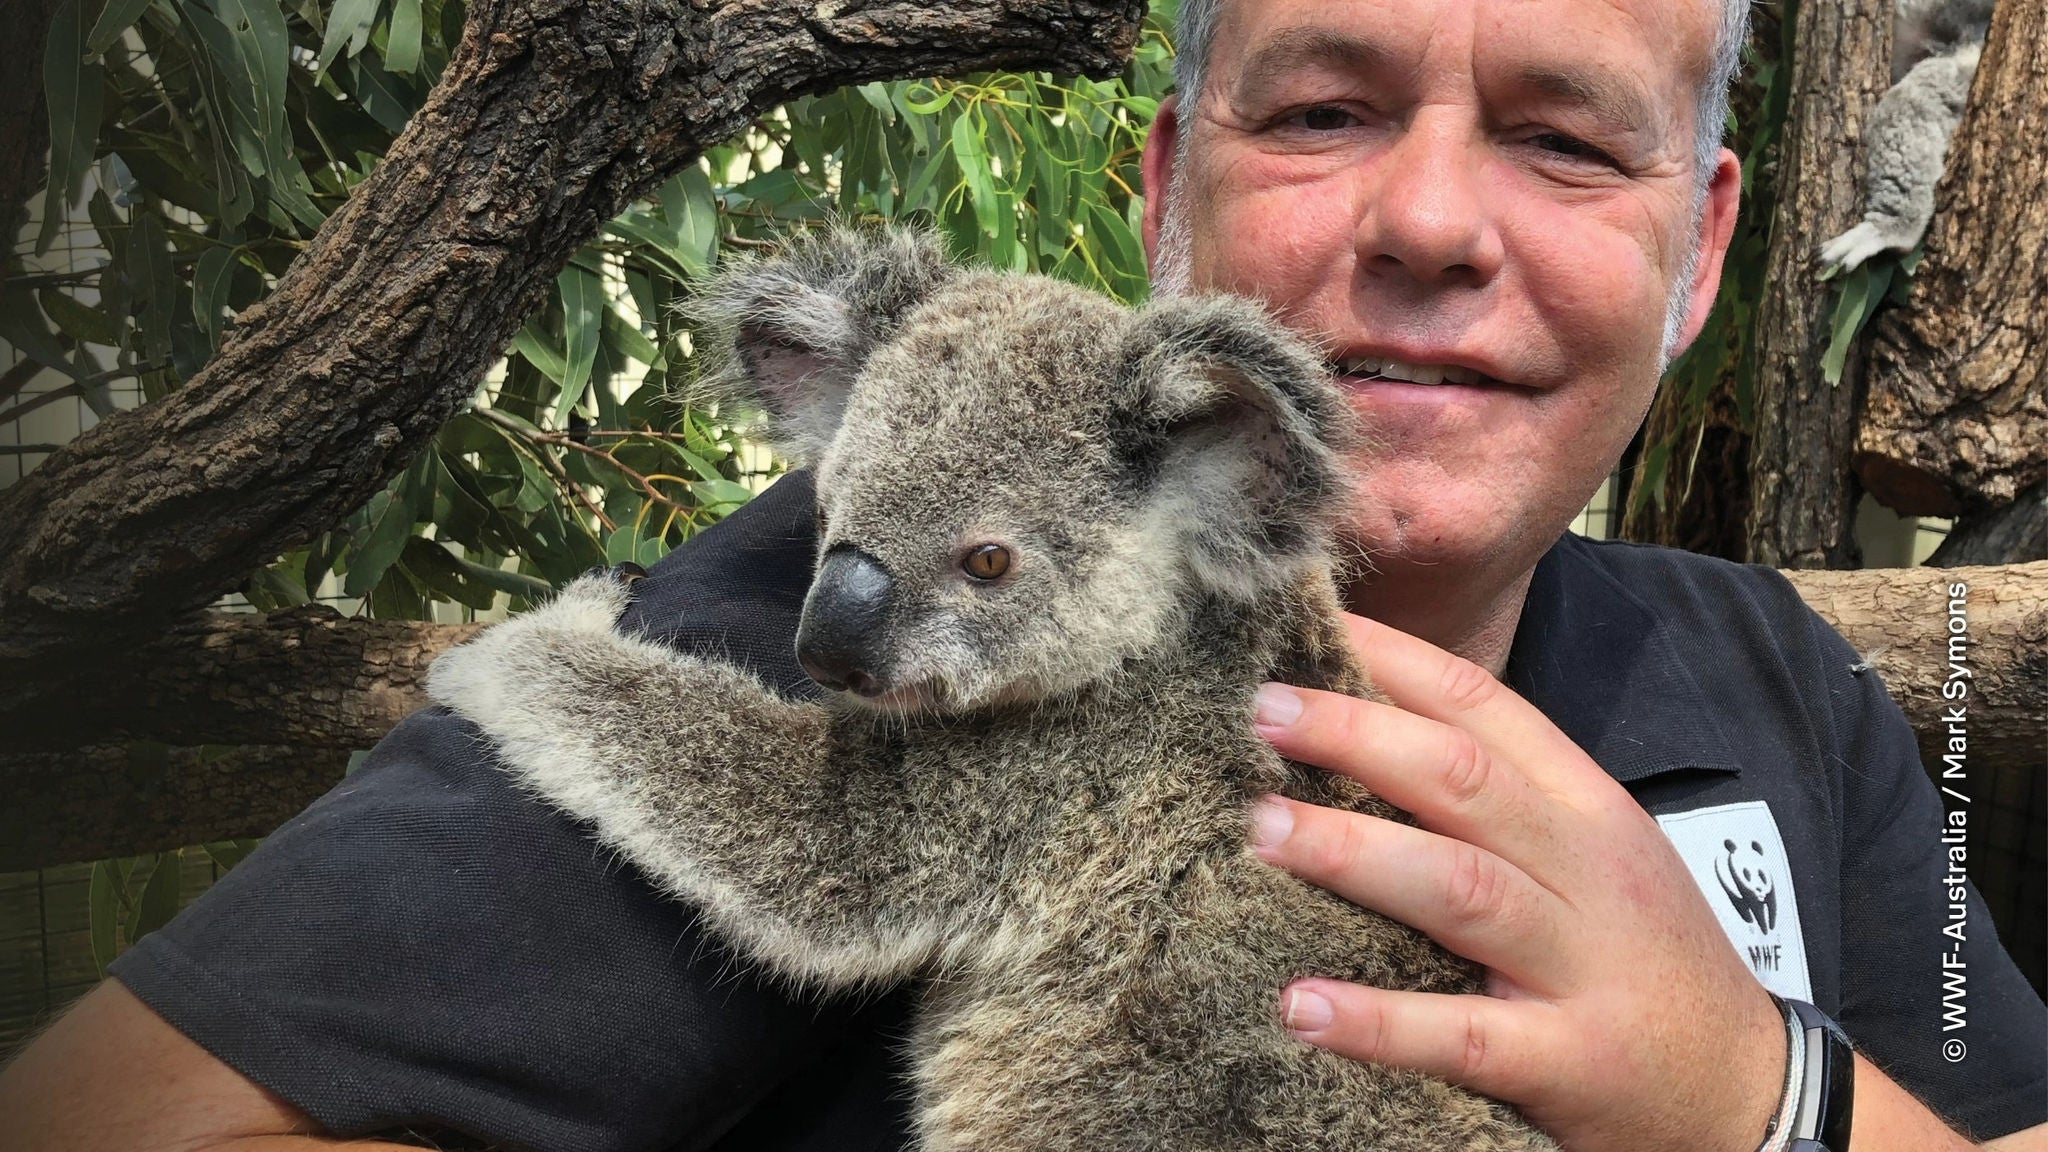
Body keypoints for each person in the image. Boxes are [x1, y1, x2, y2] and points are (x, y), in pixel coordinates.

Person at [2, 0, 2042, 1148]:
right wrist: (554, 671)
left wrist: (1757, 1094)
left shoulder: (1777, 670)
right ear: (1165, 195)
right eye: (1324, 107)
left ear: (1704, 252)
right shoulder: (785, 643)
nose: (1430, 218)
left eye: (1563, 142)